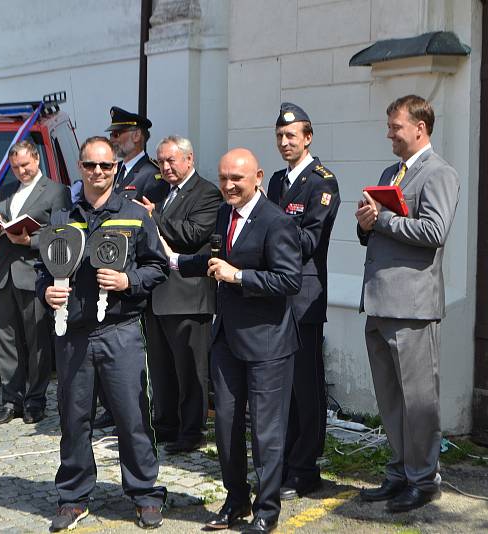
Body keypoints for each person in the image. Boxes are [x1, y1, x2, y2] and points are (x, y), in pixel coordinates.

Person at [166, 148, 302, 533]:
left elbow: (289, 280)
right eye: (223, 178)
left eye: (236, 179)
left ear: (257, 177)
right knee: (225, 425)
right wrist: (173, 260)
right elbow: (214, 260)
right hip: (226, 339)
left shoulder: (276, 222)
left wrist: (239, 276)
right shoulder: (225, 214)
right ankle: (236, 499)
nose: (228, 186)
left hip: (268, 345)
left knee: (265, 431)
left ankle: (267, 508)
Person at [40, 136, 168, 531]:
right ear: (80, 168)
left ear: (116, 168)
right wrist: (46, 290)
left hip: (121, 331)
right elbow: (43, 270)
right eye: (90, 166)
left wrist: (128, 280)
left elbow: (158, 267)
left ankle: (145, 493)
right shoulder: (61, 217)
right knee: (74, 418)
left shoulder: (134, 215)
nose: (98, 173)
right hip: (74, 334)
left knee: (132, 416)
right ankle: (73, 497)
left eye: (106, 166)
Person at [355, 95, 460, 513]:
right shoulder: (390, 172)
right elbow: (379, 229)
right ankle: (399, 472)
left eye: (395, 127)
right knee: (390, 399)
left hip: (413, 306)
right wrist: (366, 223)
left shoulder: (439, 173)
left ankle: (423, 478)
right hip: (380, 302)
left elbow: (434, 231)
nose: (389, 134)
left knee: (418, 400)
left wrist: (380, 220)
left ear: (420, 127)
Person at [267, 102, 341, 500]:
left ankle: (306, 467)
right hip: (276, 293)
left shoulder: (322, 182)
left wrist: (270, 232)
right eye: (279, 136)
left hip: (304, 296)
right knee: (282, 386)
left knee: (306, 387)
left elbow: (310, 240)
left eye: (290, 136)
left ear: (307, 137)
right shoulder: (277, 180)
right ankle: (284, 461)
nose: (283, 142)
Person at [135, 136, 222, 452]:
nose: (166, 166)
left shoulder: (207, 192)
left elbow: (195, 234)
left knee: (190, 369)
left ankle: (192, 431)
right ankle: (165, 425)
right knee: (161, 368)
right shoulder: (157, 192)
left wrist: (154, 217)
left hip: (188, 295)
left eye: (171, 160)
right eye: (161, 161)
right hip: (156, 294)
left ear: (189, 158)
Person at [0, 140, 71, 426]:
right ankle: (11, 400)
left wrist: (30, 240)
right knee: (7, 342)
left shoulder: (57, 191)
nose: (21, 171)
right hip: (4, 274)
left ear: (36, 159)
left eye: (25, 165)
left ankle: (36, 400)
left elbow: (62, 232)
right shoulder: (5, 190)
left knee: (37, 343)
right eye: (15, 167)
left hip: (35, 274)